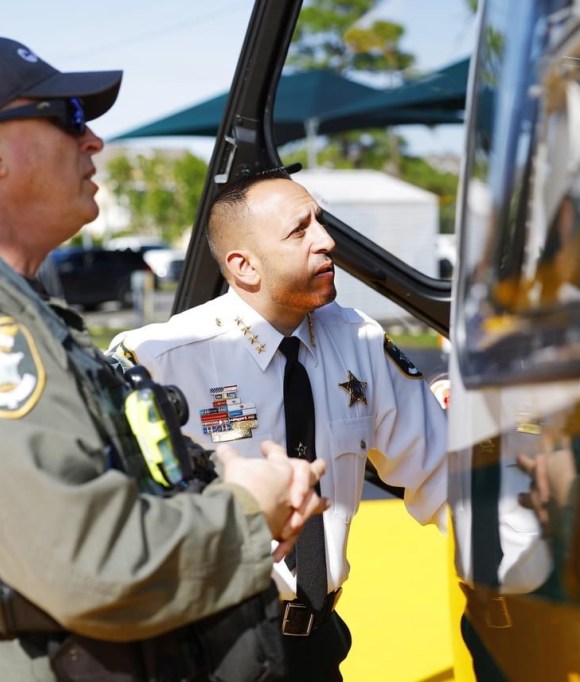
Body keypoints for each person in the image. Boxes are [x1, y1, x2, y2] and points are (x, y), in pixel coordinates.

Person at [0, 36, 328, 682]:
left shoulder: (4, 302)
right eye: (67, 116)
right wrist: (244, 509)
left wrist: (219, 483)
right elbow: (89, 558)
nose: (93, 140)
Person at [108, 169, 449, 680]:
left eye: (320, 221)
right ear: (244, 266)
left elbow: (445, 478)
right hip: (206, 652)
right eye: (300, 230)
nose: (327, 240)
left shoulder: (358, 341)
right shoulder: (160, 359)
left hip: (315, 646)